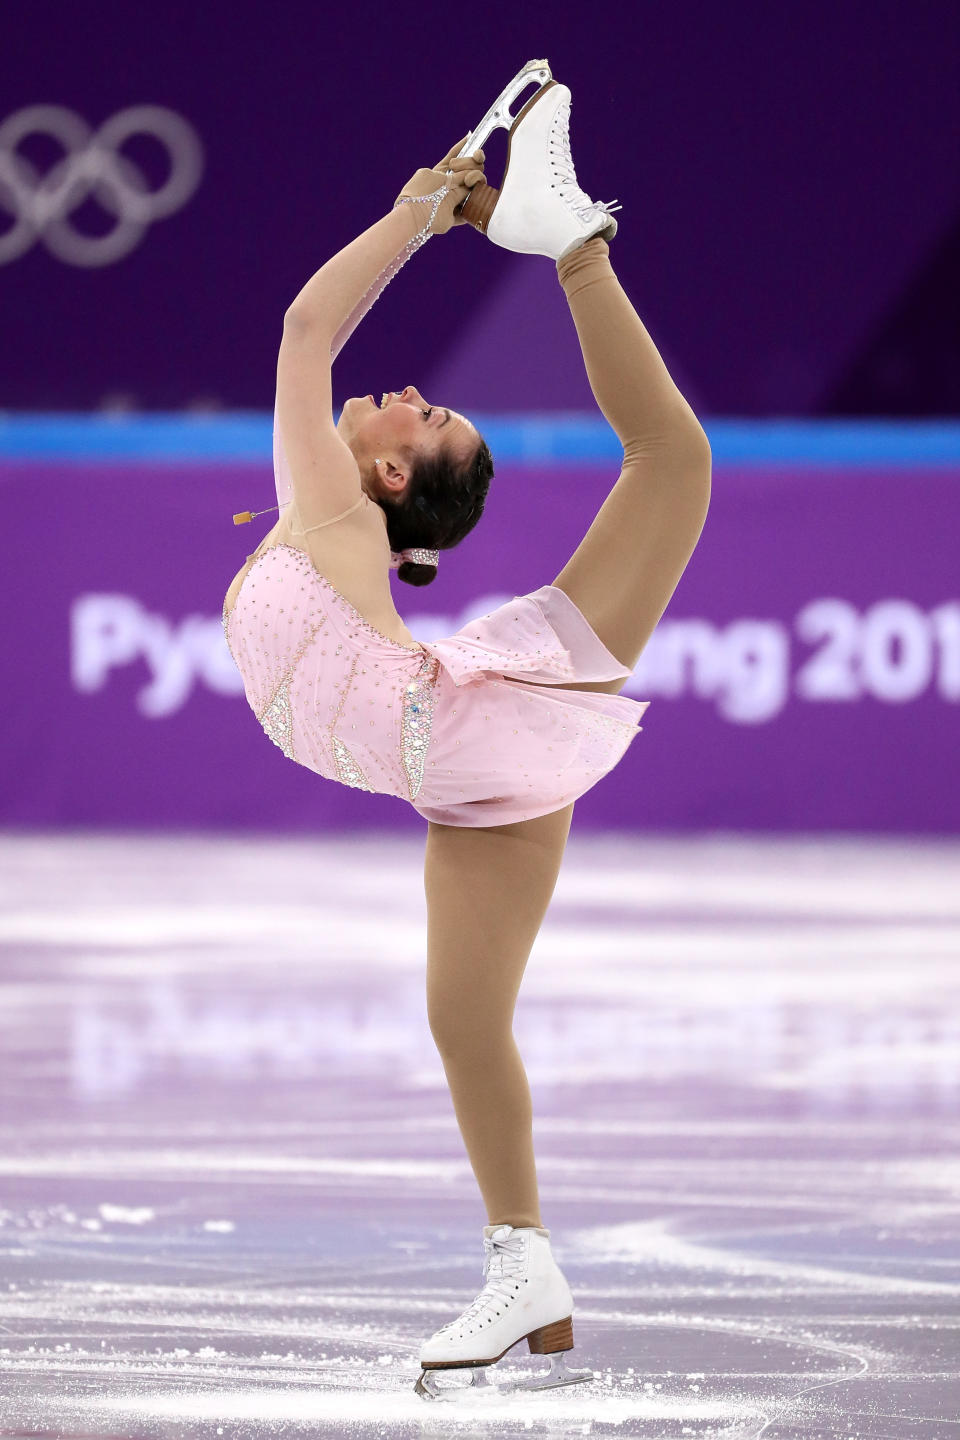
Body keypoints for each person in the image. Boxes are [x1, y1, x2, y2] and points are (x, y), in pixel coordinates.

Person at [222, 67, 711, 1398]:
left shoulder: (330, 512)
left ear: (385, 476)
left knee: (674, 464)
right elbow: (318, 347)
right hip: (467, 761)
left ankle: (574, 242)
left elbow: (306, 327)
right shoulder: (324, 521)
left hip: (459, 729)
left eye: (421, 416)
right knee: (467, 1019)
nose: (405, 393)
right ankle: (525, 1270)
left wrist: (418, 215)